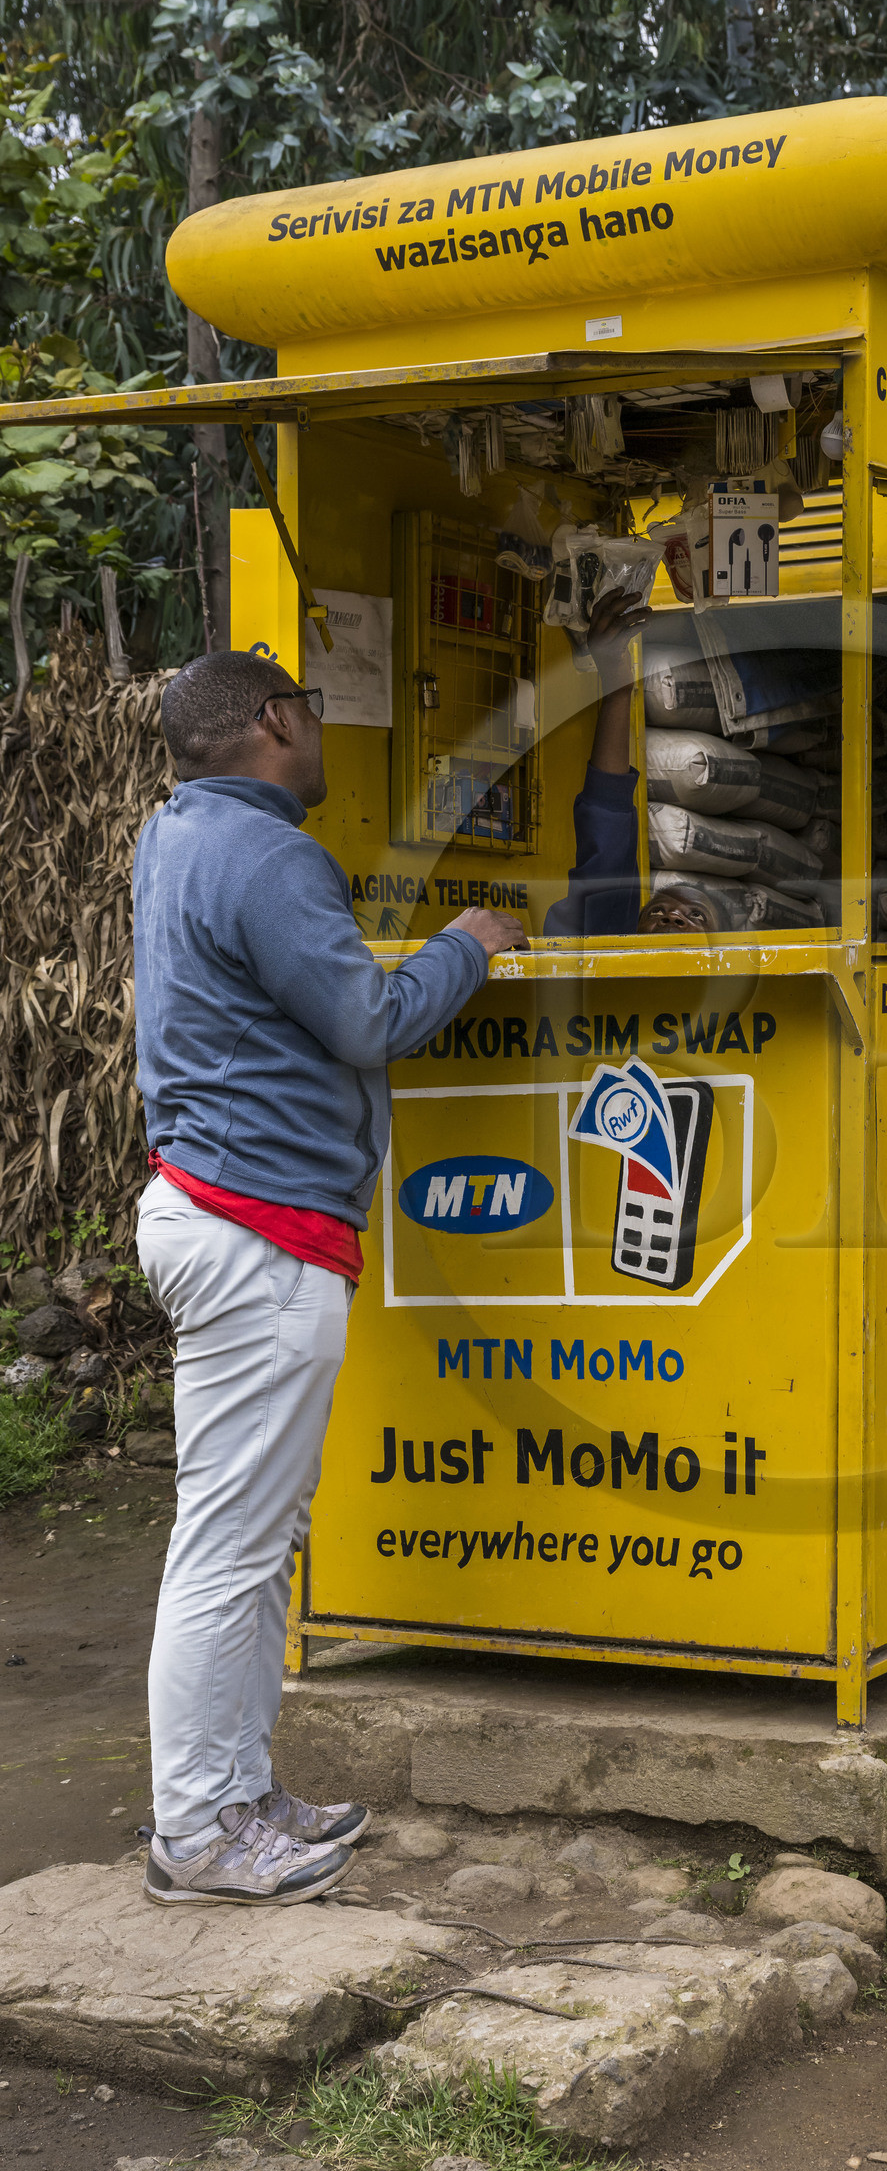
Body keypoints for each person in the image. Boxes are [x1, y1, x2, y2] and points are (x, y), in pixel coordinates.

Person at [133, 644, 530, 1904]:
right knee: (229, 1548)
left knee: (255, 1539)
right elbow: (368, 1020)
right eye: (309, 715)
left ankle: (239, 1795)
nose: (320, 736)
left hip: (227, 1213)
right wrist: (464, 945)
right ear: (274, 722)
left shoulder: (182, 836)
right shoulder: (267, 854)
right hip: (257, 1233)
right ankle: (197, 1833)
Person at [542, 587, 729, 938]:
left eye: (696, 916)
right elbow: (606, 840)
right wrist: (617, 688)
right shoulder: (605, 970)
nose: (672, 917)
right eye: (656, 911)